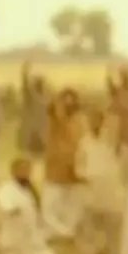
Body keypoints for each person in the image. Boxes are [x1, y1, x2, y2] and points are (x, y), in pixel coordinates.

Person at [0, 158, 58, 254]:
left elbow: (38, 216)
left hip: (31, 244)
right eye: (22, 170)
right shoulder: (6, 190)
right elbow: (6, 207)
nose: (25, 173)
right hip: (12, 244)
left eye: (27, 170)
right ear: (13, 172)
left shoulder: (31, 191)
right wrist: (16, 210)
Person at [75, 107, 124, 254]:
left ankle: (112, 252)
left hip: (109, 185)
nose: (93, 123)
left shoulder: (109, 139)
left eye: (97, 120)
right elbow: (79, 164)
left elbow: (117, 131)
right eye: (91, 120)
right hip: (91, 185)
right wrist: (84, 176)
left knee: (111, 220)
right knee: (91, 221)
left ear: (102, 121)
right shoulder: (84, 142)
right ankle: (93, 252)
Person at [42, 88, 85, 240]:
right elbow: (53, 109)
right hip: (55, 172)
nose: (68, 105)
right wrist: (59, 100)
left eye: (72, 102)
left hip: (73, 171)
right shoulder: (55, 120)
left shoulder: (79, 121)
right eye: (65, 102)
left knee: (73, 209)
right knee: (50, 210)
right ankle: (61, 233)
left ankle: (66, 233)